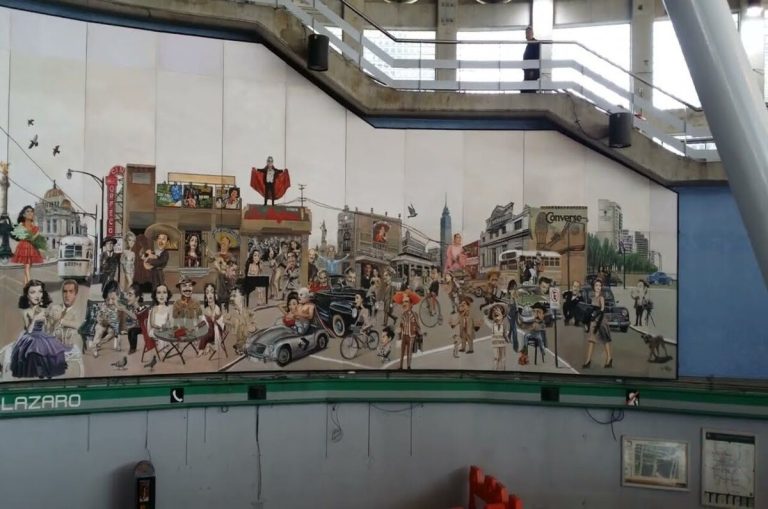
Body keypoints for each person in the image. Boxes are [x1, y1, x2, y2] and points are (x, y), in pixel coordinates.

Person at [10, 280, 70, 378]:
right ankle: (39, 371)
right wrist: (35, 319)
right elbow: (29, 331)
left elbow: (47, 328)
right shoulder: (26, 312)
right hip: (30, 337)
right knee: (34, 347)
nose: (37, 295)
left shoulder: (44, 310)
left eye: (40, 291)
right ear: (27, 295)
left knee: (52, 346)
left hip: (42, 335)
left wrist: (53, 319)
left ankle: (48, 371)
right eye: (33, 292)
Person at [582, 279, 613, 369]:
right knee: (591, 340)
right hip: (593, 321)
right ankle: (588, 361)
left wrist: (595, 315)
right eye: (596, 285)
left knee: (605, 340)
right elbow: (591, 309)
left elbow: (602, 309)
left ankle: (609, 358)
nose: (598, 287)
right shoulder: (592, 297)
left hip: (601, 320)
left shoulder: (601, 297)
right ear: (594, 287)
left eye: (599, 286)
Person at [11, 205, 46, 285]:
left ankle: (25, 285)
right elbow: (24, 237)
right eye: (28, 211)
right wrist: (35, 235)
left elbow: (34, 239)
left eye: (31, 211)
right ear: (24, 214)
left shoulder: (34, 227)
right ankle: (30, 284)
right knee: (27, 266)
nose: (30, 213)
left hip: (31, 248)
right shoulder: (21, 225)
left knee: (28, 267)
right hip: (24, 247)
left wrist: (36, 237)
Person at [90, 280, 121, 357]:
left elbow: (116, 319)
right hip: (101, 323)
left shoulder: (116, 307)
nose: (110, 302)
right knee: (99, 331)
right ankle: (94, 347)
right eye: (108, 299)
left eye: (113, 299)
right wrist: (103, 319)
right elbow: (100, 318)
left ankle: (100, 343)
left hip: (110, 325)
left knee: (112, 332)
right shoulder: (104, 306)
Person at [394, 289, 421, 370]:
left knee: (409, 352)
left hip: (411, 336)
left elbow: (417, 325)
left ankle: (408, 366)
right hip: (404, 335)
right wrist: (399, 336)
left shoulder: (414, 314)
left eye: (406, 302)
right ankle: (401, 366)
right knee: (402, 352)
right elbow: (401, 325)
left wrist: (419, 334)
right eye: (403, 302)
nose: (404, 304)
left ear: (411, 304)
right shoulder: (403, 314)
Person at [197, 283, 224, 356]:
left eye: (212, 292)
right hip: (208, 332)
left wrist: (210, 317)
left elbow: (217, 322)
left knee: (205, 322)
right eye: (207, 292)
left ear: (215, 295)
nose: (210, 295)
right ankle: (206, 346)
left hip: (216, 331)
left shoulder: (217, 308)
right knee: (201, 323)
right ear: (205, 296)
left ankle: (202, 348)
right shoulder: (206, 309)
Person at [482, 302, 509, 371]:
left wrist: (507, 339)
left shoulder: (504, 325)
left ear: (502, 315)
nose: (495, 312)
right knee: (496, 357)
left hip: (502, 343)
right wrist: (485, 315)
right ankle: (495, 369)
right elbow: (486, 321)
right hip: (495, 343)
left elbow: (505, 334)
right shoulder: (493, 326)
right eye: (494, 311)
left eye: (498, 310)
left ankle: (503, 369)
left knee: (503, 357)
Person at [121, 283, 146, 355]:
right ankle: (132, 347)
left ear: (137, 298)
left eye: (130, 295)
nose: (127, 297)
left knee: (133, 332)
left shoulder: (141, 307)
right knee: (130, 331)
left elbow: (136, 317)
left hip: (145, 327)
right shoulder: (133, 306)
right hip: (139, 326)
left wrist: (124, 310)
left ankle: (133, 348)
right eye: (127, 295)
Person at [148, 284, 172, 352]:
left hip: (164, 330)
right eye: (159, 292)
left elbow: (169, 322)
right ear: (155, 296)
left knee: (168, 334)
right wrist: (160, 328)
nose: (161, 295)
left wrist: (167, 326)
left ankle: (166, 349)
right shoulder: (154, 309)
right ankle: (162, 351)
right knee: (161, 335)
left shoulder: (169, 309)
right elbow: (152, 323)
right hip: (154, 330)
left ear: (167, 295)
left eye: (164, 292)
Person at [522, 25, 540, 93]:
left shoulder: (535, 43)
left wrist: (532, 71)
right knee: (526, 90)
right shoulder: (529, 44)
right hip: (528, 71)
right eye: (526, 33)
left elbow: (536, 57)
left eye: (528, 33)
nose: (527, 35)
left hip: (531, 72)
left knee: (528, 91)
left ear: (532, 34)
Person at [506, 279, 520, 352]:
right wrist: (512, 296)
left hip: (516, 312)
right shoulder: (508, 294)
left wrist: (516, 296)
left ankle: (508, 336)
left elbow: (517, 302)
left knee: (512, 327)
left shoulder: (515, 293)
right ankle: (516, 347)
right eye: (514, 287)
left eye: (515, 287)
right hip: (510, 313)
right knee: (515, 330)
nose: (515, 288)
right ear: (511, 287)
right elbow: (509, 304)